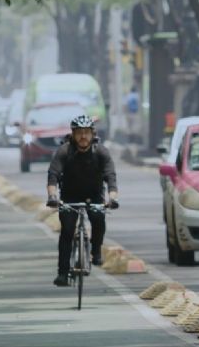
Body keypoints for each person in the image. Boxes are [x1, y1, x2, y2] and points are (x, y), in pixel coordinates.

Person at [46, 115, 120, 287]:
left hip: (94, 196)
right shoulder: (64, 151)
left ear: (92, 134)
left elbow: (110, 176)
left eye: (86, 132)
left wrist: (113, 198)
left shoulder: (101, 152)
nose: (83, 137)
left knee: (98, 220)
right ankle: (63, 273)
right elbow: (53, 176)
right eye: (79, 133)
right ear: (73, 134)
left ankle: (96, 251)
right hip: (69, 197)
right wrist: (52, 197)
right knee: (67, 232)